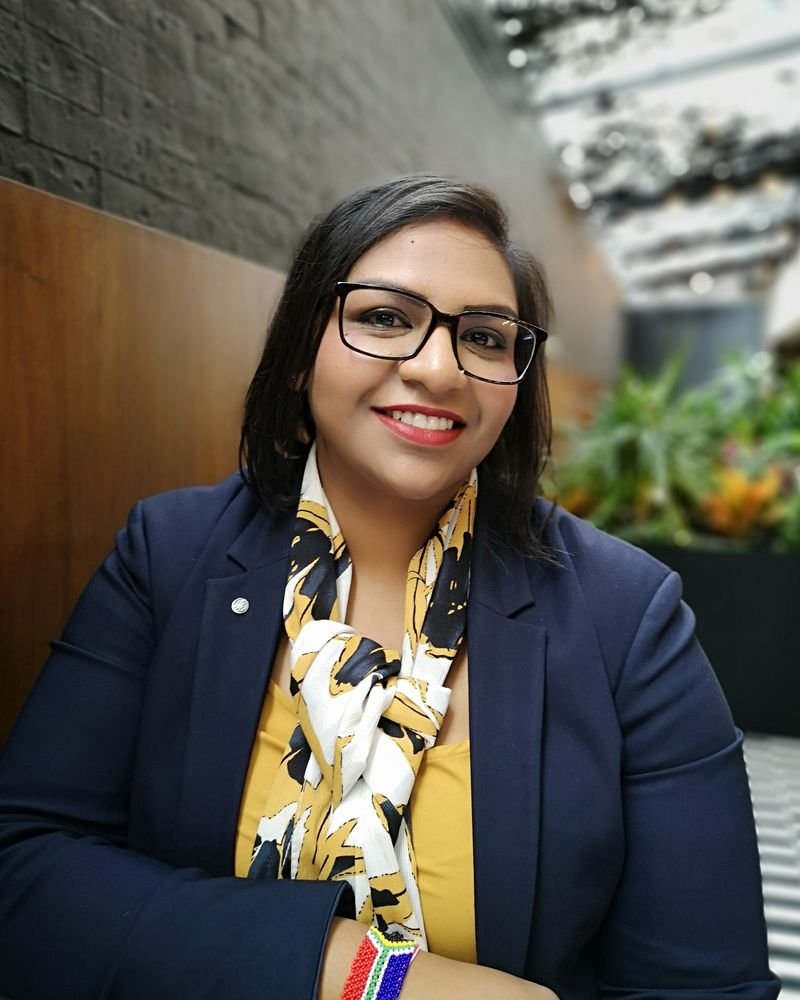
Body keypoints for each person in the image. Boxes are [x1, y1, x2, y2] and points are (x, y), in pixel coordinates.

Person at [0, 175, 778, 1000]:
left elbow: (705, 988)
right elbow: (24, 869)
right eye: (384, 318)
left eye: (484, 337)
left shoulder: (625, 613)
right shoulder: (169, 555)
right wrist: (368, 974)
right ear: (300, 351)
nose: (439, 369)